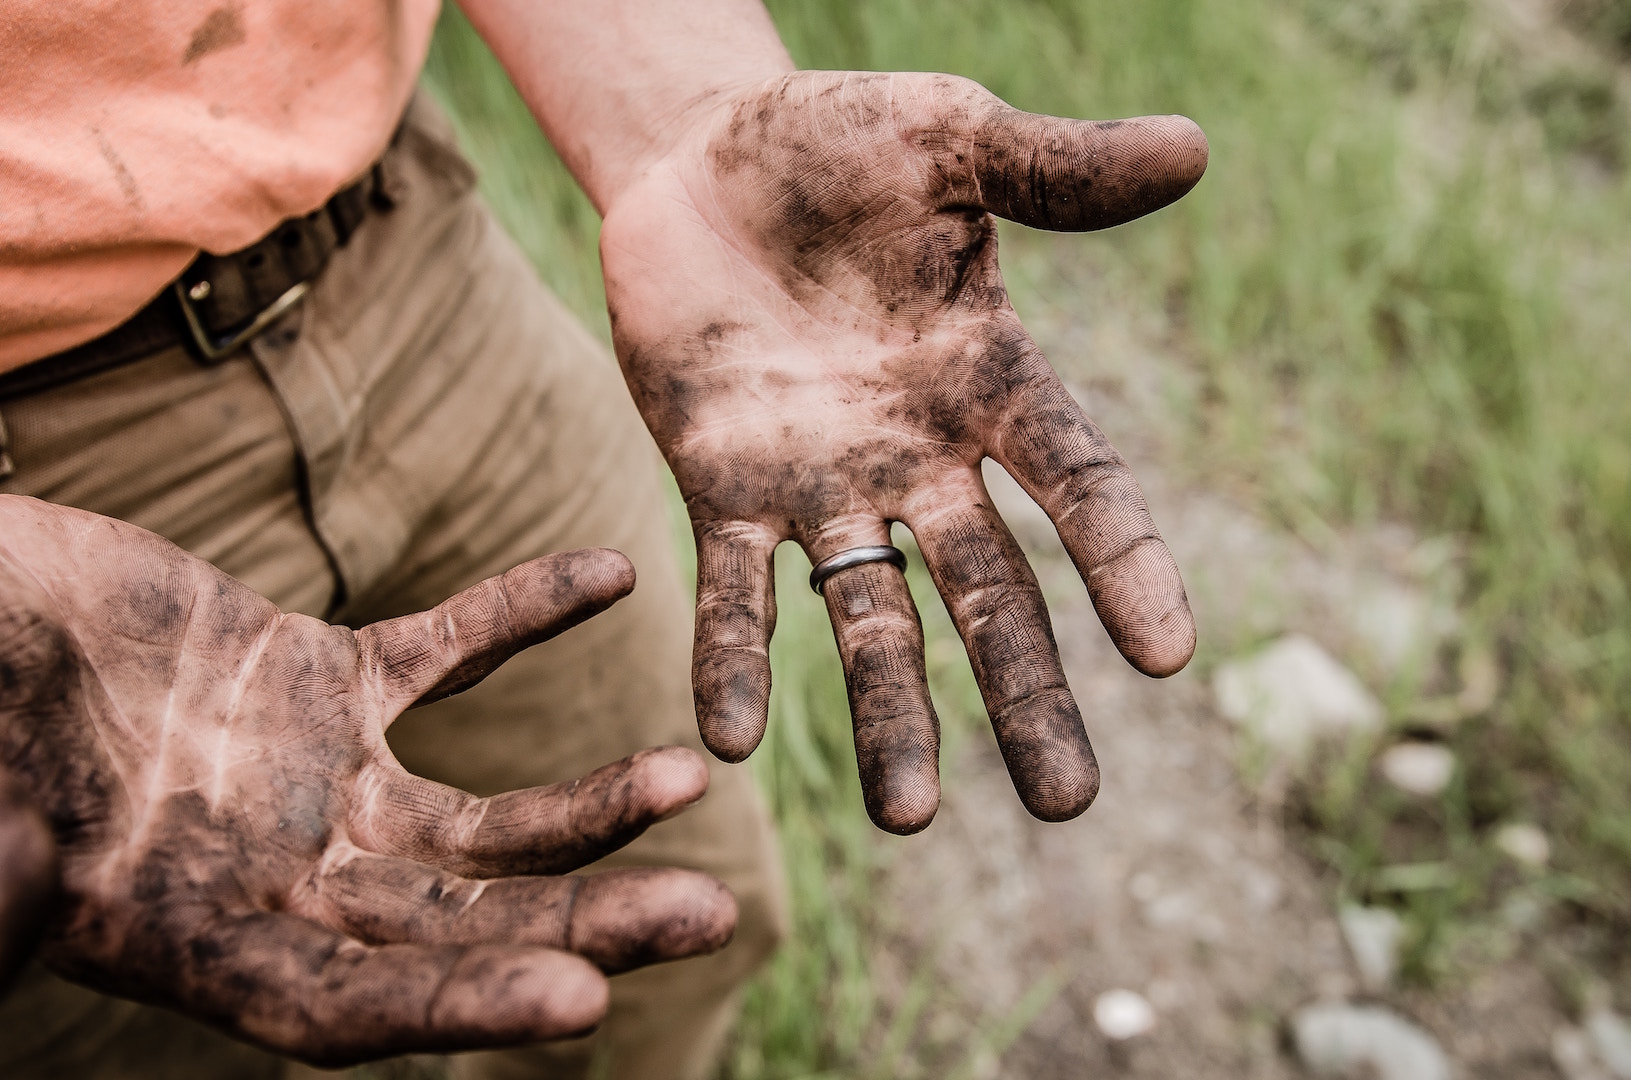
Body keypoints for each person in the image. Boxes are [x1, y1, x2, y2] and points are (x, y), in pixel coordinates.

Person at [0, 1, 1206, 1077]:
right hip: (38, 481)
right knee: (143, 1025)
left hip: (402, 261)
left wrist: (680, 111)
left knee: (670, 932)